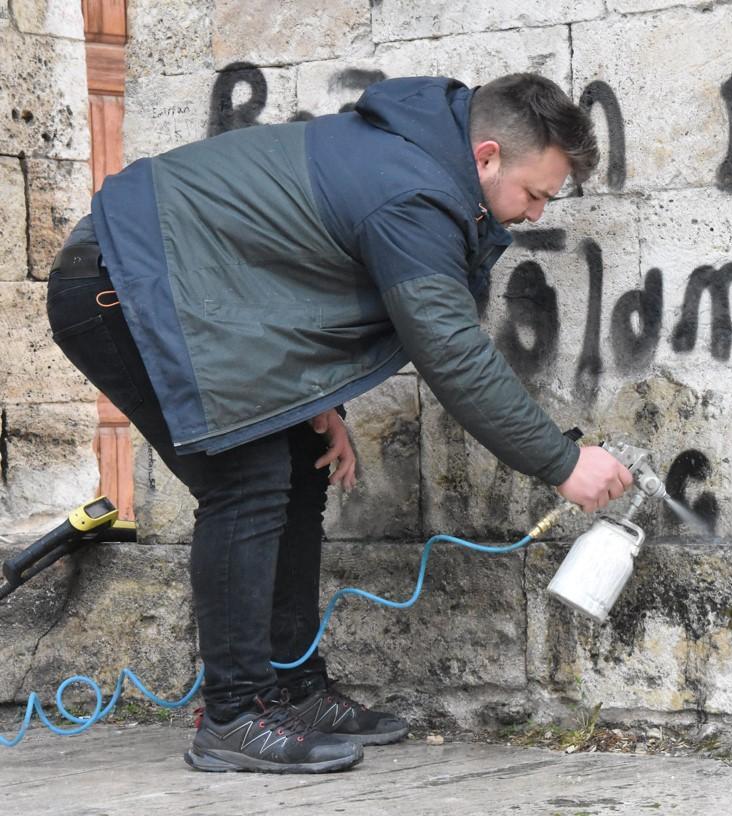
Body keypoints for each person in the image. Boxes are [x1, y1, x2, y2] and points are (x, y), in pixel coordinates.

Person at [44, 73, 633, 774]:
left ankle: (290, 687)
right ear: (485, 157)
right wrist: (561, 464)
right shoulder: (413, 191)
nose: (534, 214)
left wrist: (312, 397)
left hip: (190, 290)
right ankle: (233, 715)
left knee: (297, 462)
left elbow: (278, 253)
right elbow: (449, 351)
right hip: (119, 285)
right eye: (534, 193)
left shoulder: (414, 163)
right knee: (247, 479)